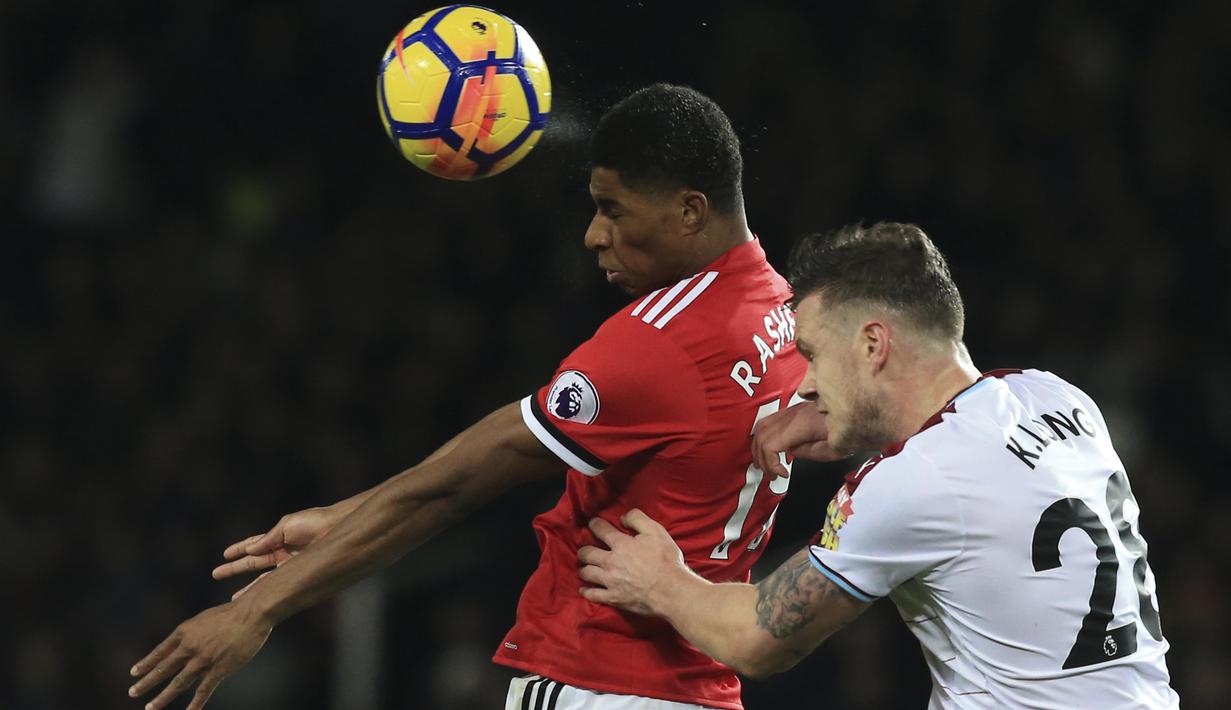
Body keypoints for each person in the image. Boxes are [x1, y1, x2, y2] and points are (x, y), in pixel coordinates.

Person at [128, 83, 806, 710]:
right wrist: (347, 517)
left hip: (602, 680)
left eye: (611, 210)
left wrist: (256, 610)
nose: (593, 234)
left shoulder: (660, 345)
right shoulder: (777, 309)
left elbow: (452, 488)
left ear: (690, 210)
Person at [578, 223, 1181, 708]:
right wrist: (855, 425)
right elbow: (970, 466)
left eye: (812, 355)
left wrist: (662, 582)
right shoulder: (1058, 397)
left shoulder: (907, 484)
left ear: (872, 345)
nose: (807, 382)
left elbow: (758, 641)